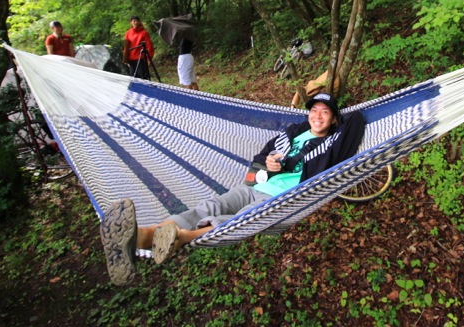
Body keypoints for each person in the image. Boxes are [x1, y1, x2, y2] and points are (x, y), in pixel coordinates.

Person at [100, 92, 365, 286]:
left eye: (325, 112)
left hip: (280, 198)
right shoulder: (294, 132)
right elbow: (263, 156)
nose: (317, 116)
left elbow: (358, 120)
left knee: (238, 221)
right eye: (314, 110)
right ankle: (139, 237)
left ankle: (179, 238)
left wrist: (338, 123)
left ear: (333, 119)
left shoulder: (332, 144)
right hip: (256, 185)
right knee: (208, 206)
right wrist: (270, 162)